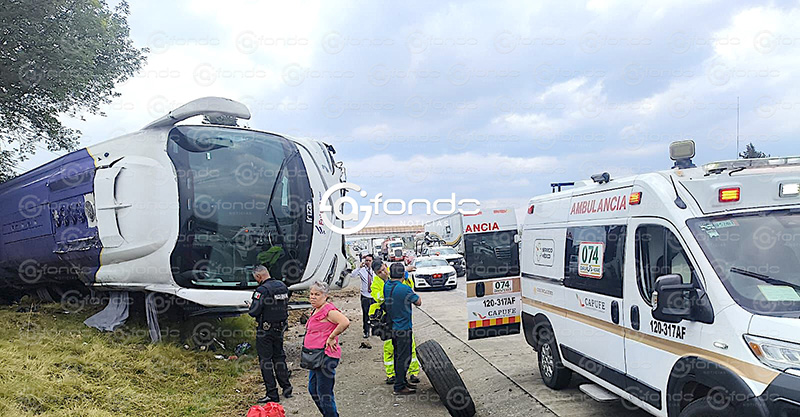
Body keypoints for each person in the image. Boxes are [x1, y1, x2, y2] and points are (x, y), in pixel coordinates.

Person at [369, 261, 422, 386]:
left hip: (394, 323)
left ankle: (411, 374)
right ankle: (394, 377)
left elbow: (407, 287)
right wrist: (404, 275)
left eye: (384, 269)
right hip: (390, 322)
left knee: (405, 351)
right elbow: (381, 297)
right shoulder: (378, 284)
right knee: (393, 351)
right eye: (379, 272)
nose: (383, 273)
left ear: (387, 268)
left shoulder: (388, 284)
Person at [248, 265, 293, 403]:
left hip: (265, 330)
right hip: (280, 328)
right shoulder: (282, 286)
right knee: (279, 357)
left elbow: (254, 312)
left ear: (258, 277)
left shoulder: (262, 290)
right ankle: (286, 388)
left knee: (265, 361)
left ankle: (272, 394)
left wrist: (250, 306)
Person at [305, 282, 350, 417]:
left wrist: (331, 337)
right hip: (315, 356)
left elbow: (345, 322)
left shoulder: (328, 310)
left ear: (325, 296)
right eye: (311, 294)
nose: (313, 297)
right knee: (313, 389)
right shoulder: (316, 309)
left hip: (326, 356)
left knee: (324, 393)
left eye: (317, 295)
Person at [385, 262, 422, 395]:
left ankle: (401, 380)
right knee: (404, 357)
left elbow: (395, 277)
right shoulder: (404, 289)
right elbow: (418, 302)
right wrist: (407, 279)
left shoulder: (387, 285)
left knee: (397, 355)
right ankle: (399, 386)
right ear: (403, 275)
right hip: (404, 328)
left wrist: (404, 272)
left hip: (392, 327)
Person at [351, 253, 375, 338]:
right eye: (366, 260)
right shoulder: (362, 270)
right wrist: (359, 267)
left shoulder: (375, 270)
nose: (368, 262)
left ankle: (375, 331)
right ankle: (366, 331)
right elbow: (352, 275)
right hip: (365, 296)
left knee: (375, 315)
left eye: (369, 261)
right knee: (366, 314)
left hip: (374, 296)